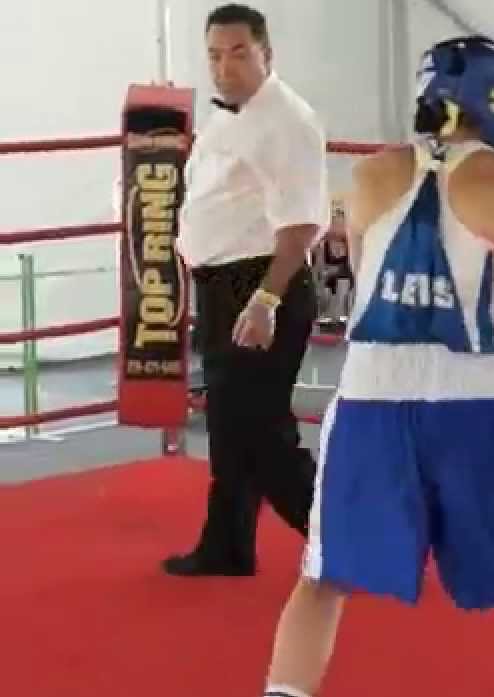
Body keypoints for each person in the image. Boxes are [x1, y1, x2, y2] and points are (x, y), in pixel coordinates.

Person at [258, 36, 494, 697]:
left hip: (368, 401)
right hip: (469, 405)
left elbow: (359, 281)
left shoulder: (369, 176)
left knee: (322, 578)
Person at [168, 3, 325, 577]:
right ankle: (227, 545)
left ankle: (354, 541)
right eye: (214, 55)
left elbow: (300, 224)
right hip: (221, 285)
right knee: (230, 425)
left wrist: (265, 300)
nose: (224, 67)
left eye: (238, 54)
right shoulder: (227, 117)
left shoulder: (288, 122)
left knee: (261, 433)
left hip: (260, 285)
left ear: (266, 54)